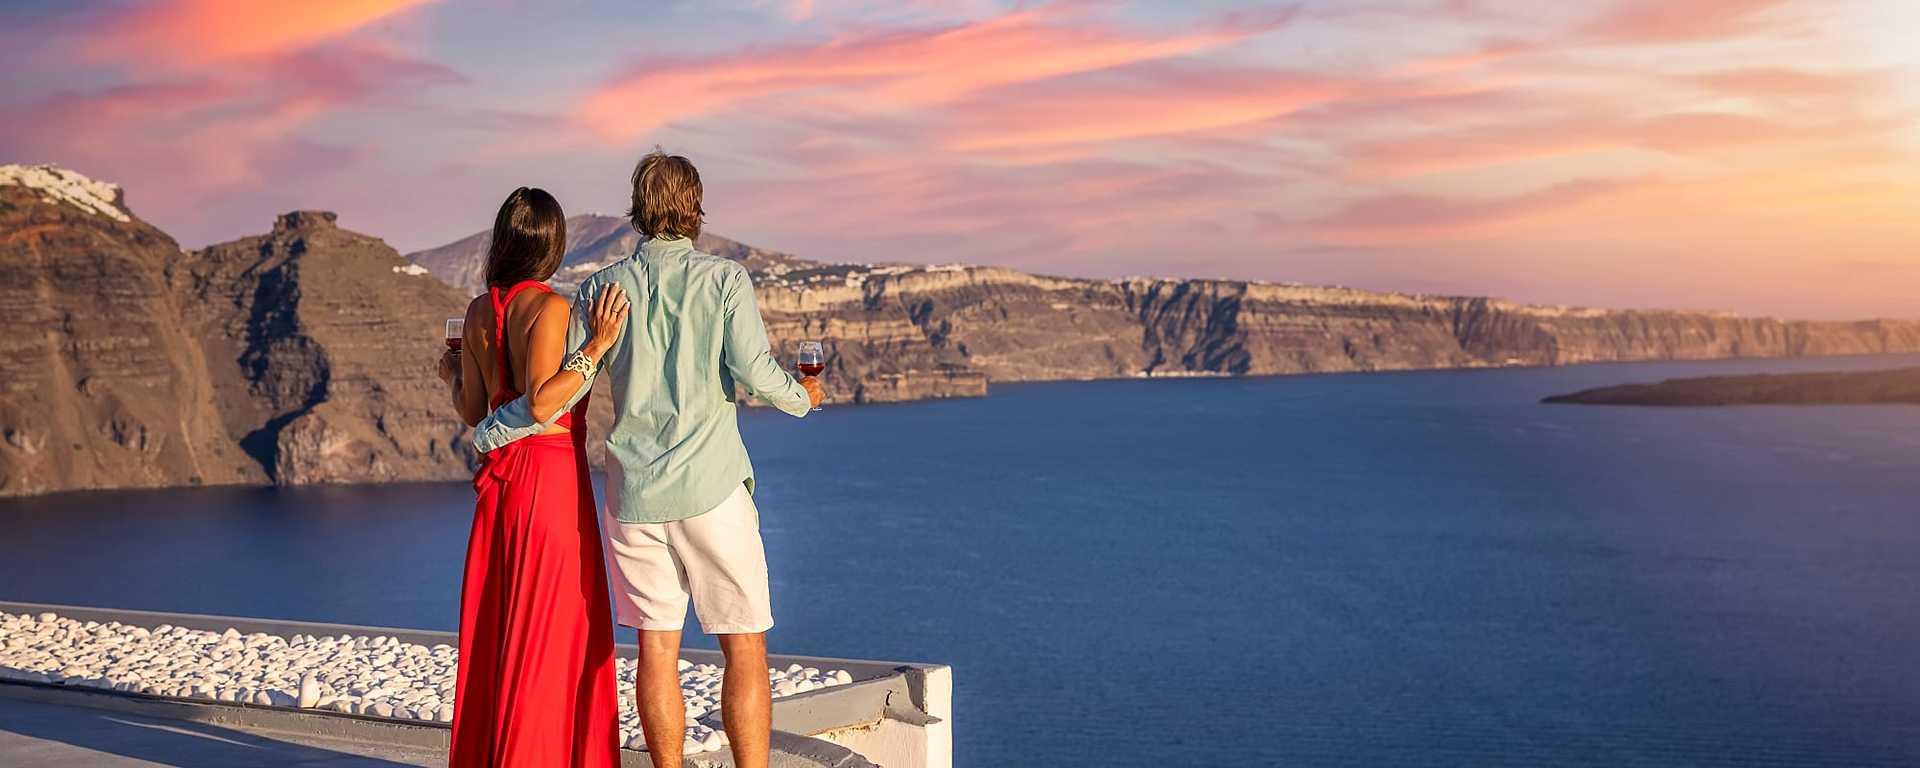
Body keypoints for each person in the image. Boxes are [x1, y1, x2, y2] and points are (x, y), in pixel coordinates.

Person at [472, 152, 824, 768]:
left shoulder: (600, 289)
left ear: (638, 210)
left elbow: (561, 391)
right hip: (711, 490)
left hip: (632, 498)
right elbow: (755, 372)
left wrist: (490, 431)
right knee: (744, 647)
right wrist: (805, 397)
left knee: (655, 652)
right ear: (695, 207)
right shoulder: (724, 280)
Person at [437, 187, 632, 767]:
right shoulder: (549, 310)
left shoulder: (477, 312)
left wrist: (452, 375)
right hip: (548, 484)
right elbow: (544, 403)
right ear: (552, 246)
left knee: (504, 627)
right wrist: (595, 346)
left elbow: (475, 412)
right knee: (550, 632)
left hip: (499, 489)